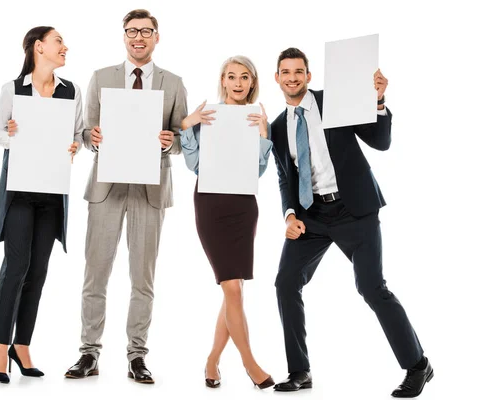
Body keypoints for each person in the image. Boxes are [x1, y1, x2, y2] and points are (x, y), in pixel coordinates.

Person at [270, 47, 433, 398]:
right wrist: (289, 214)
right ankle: (300, 371)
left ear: (309, 76)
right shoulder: (278, 126)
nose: (293, 77)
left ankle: (418, 364)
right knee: (285, 283)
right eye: (286, 72)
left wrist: (377, 101)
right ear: (277, 78)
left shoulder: (335, 102)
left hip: (354, 209)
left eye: (299, 71)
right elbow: (285, 178)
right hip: (311, 216)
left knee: (372, 287)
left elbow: (381, 142)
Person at [64, 9, 187, 383]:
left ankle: (137, 355)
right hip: (107, 188)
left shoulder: (174, 83)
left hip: (151, 189)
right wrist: (92, 138)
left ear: (156, 37)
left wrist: (172, 142)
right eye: (132, 31)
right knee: (95, 272)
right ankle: (89, 353)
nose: (138, 37)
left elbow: (184, 140)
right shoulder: (101, 78)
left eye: (145, 31)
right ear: (124, 36)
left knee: (142, 277)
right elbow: (84, 134)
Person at [0, 26, 83, 383]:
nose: (65, 47)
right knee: (16, 267)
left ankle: (21, 344)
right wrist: (11, 135)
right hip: (20, 192)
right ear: (39, 47)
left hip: (52, 194)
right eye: (59, 42)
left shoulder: (71, 90)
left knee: (38, 271)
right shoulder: (13, 89)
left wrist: (75, 146)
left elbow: (77, 135)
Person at [179, 56, 274, 390]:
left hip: (243, 206)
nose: (237, 83)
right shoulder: (211, 116)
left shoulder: (257, 118)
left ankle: (212, 360)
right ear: (222, 80)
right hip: (211, 204)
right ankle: (250, 364)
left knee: (233, 289)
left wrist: (263, 135)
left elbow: (258, 172)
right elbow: (194, 164)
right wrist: (187, 125)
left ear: (252, 82)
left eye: (243, 77)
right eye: (231, 76)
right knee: (231, 287)